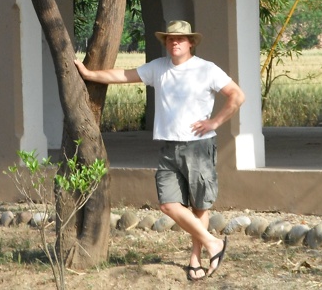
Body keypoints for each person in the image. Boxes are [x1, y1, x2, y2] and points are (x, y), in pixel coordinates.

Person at [74, 20, 245, 282]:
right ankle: (214, 243)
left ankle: (196, 259)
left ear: (191, 43)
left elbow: (237, 95)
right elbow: (123, 75)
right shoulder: (158, 68)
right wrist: (88, 74)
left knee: (199, 206)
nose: (174, 42)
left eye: (180, 39)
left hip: (198, 146)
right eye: (170, 39)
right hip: (168, 146)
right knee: (168, 204)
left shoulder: (206, 69)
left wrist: (215, 122)